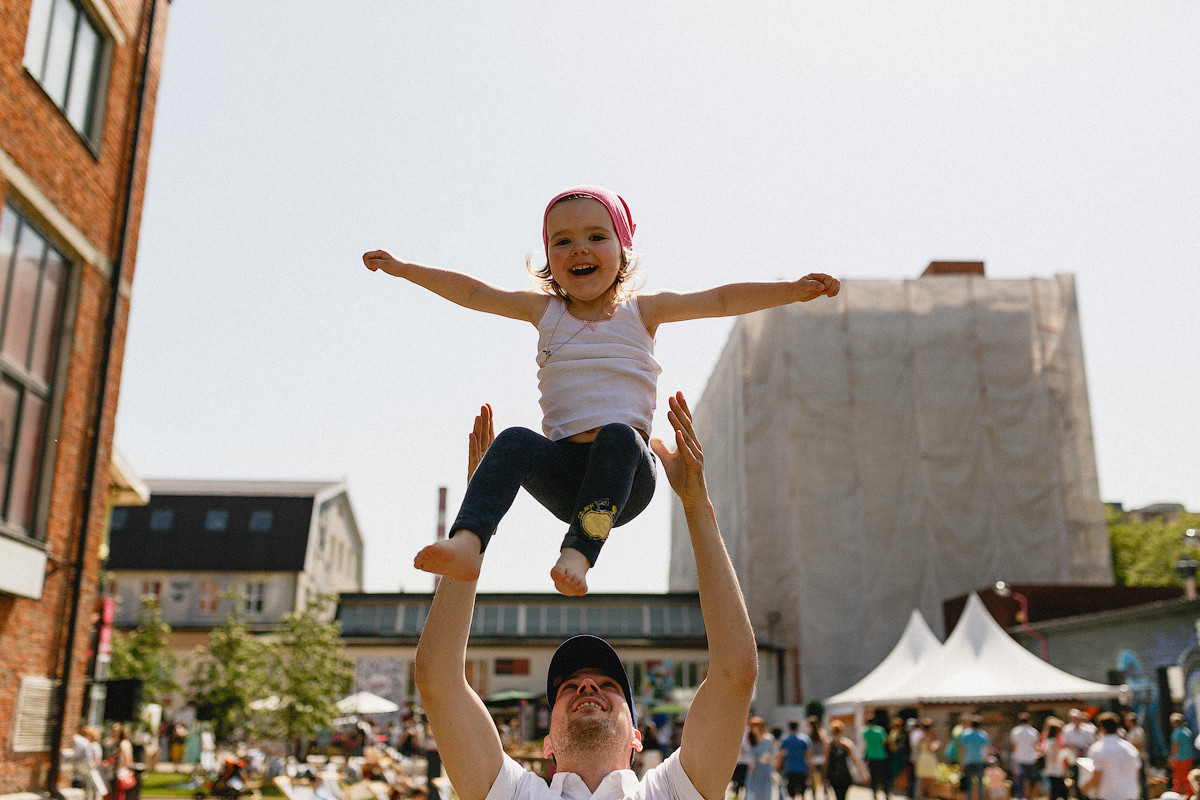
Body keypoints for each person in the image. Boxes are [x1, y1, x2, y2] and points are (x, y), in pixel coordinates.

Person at [364, 187, 840, 596]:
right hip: (565, 475)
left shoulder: (642, 313)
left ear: (622, 248)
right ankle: (468, 543)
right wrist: (405, 269)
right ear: (548, 256)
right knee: (511, 440)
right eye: (562, 241)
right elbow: (472, 293)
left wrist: (790, 291)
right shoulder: (544, 312)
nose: (578, 249)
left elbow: (720, 299)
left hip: (627, 475)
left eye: (595, 237)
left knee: (617, 434)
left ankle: (578, 554)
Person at [412, 391, 759, 800]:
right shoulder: (515, 793)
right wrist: (480, 519)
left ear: (636, 736)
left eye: (608, 684)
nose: (588, 687)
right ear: (547, 744)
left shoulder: (670, 791)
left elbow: (735, 672)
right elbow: (438, 680)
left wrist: (697, 506)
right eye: (570, 686)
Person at [1081, 713, 1139, 800]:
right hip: (1129, 796)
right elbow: (1136, 776)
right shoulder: (1130, 749)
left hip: (1108, 796)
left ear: (1102, 729)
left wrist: (1084, 788)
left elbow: (1097, 778)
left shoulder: (1097, 748)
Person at [824, 720, 867, 800]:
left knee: (837, 795)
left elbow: (826, 761)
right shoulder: (847, 743)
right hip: (845, 774)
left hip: (833, 774)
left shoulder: (829, 744)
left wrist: (824, 774)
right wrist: (864, 773)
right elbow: (856, 760)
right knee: (843, 796)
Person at [1061, 710, 1096, 799]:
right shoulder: (1066, 730)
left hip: (1085, 758)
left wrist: (1084, 747)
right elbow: (1064, 743)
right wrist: (1074, 747)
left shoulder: (1088, 730)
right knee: (1075, 778)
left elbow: (1092, 742)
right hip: (1073, 758)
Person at [777, 720, 814, 800]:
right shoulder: (805, 739)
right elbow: (808, 756)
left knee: (791, 792)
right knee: (802, 791)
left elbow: (780, 755)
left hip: (790, 768)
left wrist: (778, 766)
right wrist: (811, 770)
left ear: (789, 727)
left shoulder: (785, 739)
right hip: (802, 768)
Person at [959, 716, 991, 800]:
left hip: (968, 760)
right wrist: (986, 759)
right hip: (979, 761)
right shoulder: (983, 734)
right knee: (980, 783)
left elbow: (963, 749)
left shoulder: (965, 734)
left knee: (968, 783)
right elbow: (987, 749)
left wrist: (962, 761)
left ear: (970, 724)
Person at [1011, 711, 1042, 799]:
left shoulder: (1015, 731)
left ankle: (1027, 795)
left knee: (1025, 779)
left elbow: (1014, 746)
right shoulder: (1033, 731)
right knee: (1035, 779)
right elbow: (1036, 745)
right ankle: (1032, 796)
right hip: (1032, 758)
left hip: (1021, 758)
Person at [745, 717, 776, 800]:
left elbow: (773, 754)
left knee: (765, 792)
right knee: (752, 793)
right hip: (754, 770)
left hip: (765, 769)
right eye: (752, 726)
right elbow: (750, 755)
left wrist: (766, 758)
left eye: (756, 725)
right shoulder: (751, 739)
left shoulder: (768, 739)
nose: (754, 728)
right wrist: (751, 764)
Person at [1041, 718, 1070, 800]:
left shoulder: (1047, 741)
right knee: (1060, 789)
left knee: (1053, 788)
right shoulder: (1053, 742)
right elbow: (1054, 756)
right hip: (1055, 768)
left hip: (1049, 768)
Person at [913, 720, 940, 800]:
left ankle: (922, 796)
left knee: (924, 779)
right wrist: (937, 745)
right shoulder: (927, 737)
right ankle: (931, 797)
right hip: (928, 758)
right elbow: (931, 749)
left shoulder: (922, 736)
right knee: (930, 780)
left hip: (923, 758)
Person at [1170, 713, 1196, 795]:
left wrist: (1171, 757)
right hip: (1189, 757)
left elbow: (1176, 746)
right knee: (1188, 778)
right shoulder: (1188, 731)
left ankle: (1176, 795)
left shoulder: (1176, 732)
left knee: (1177, 779)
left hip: (1179, 759)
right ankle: (1190, 794)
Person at [809, 717, 831, 800]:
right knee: (823, 778)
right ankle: (825, 795)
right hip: (822, 759)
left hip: (813, 760)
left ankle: (814, 796)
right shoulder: (823, 733)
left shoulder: (809, 735)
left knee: (814, 779)